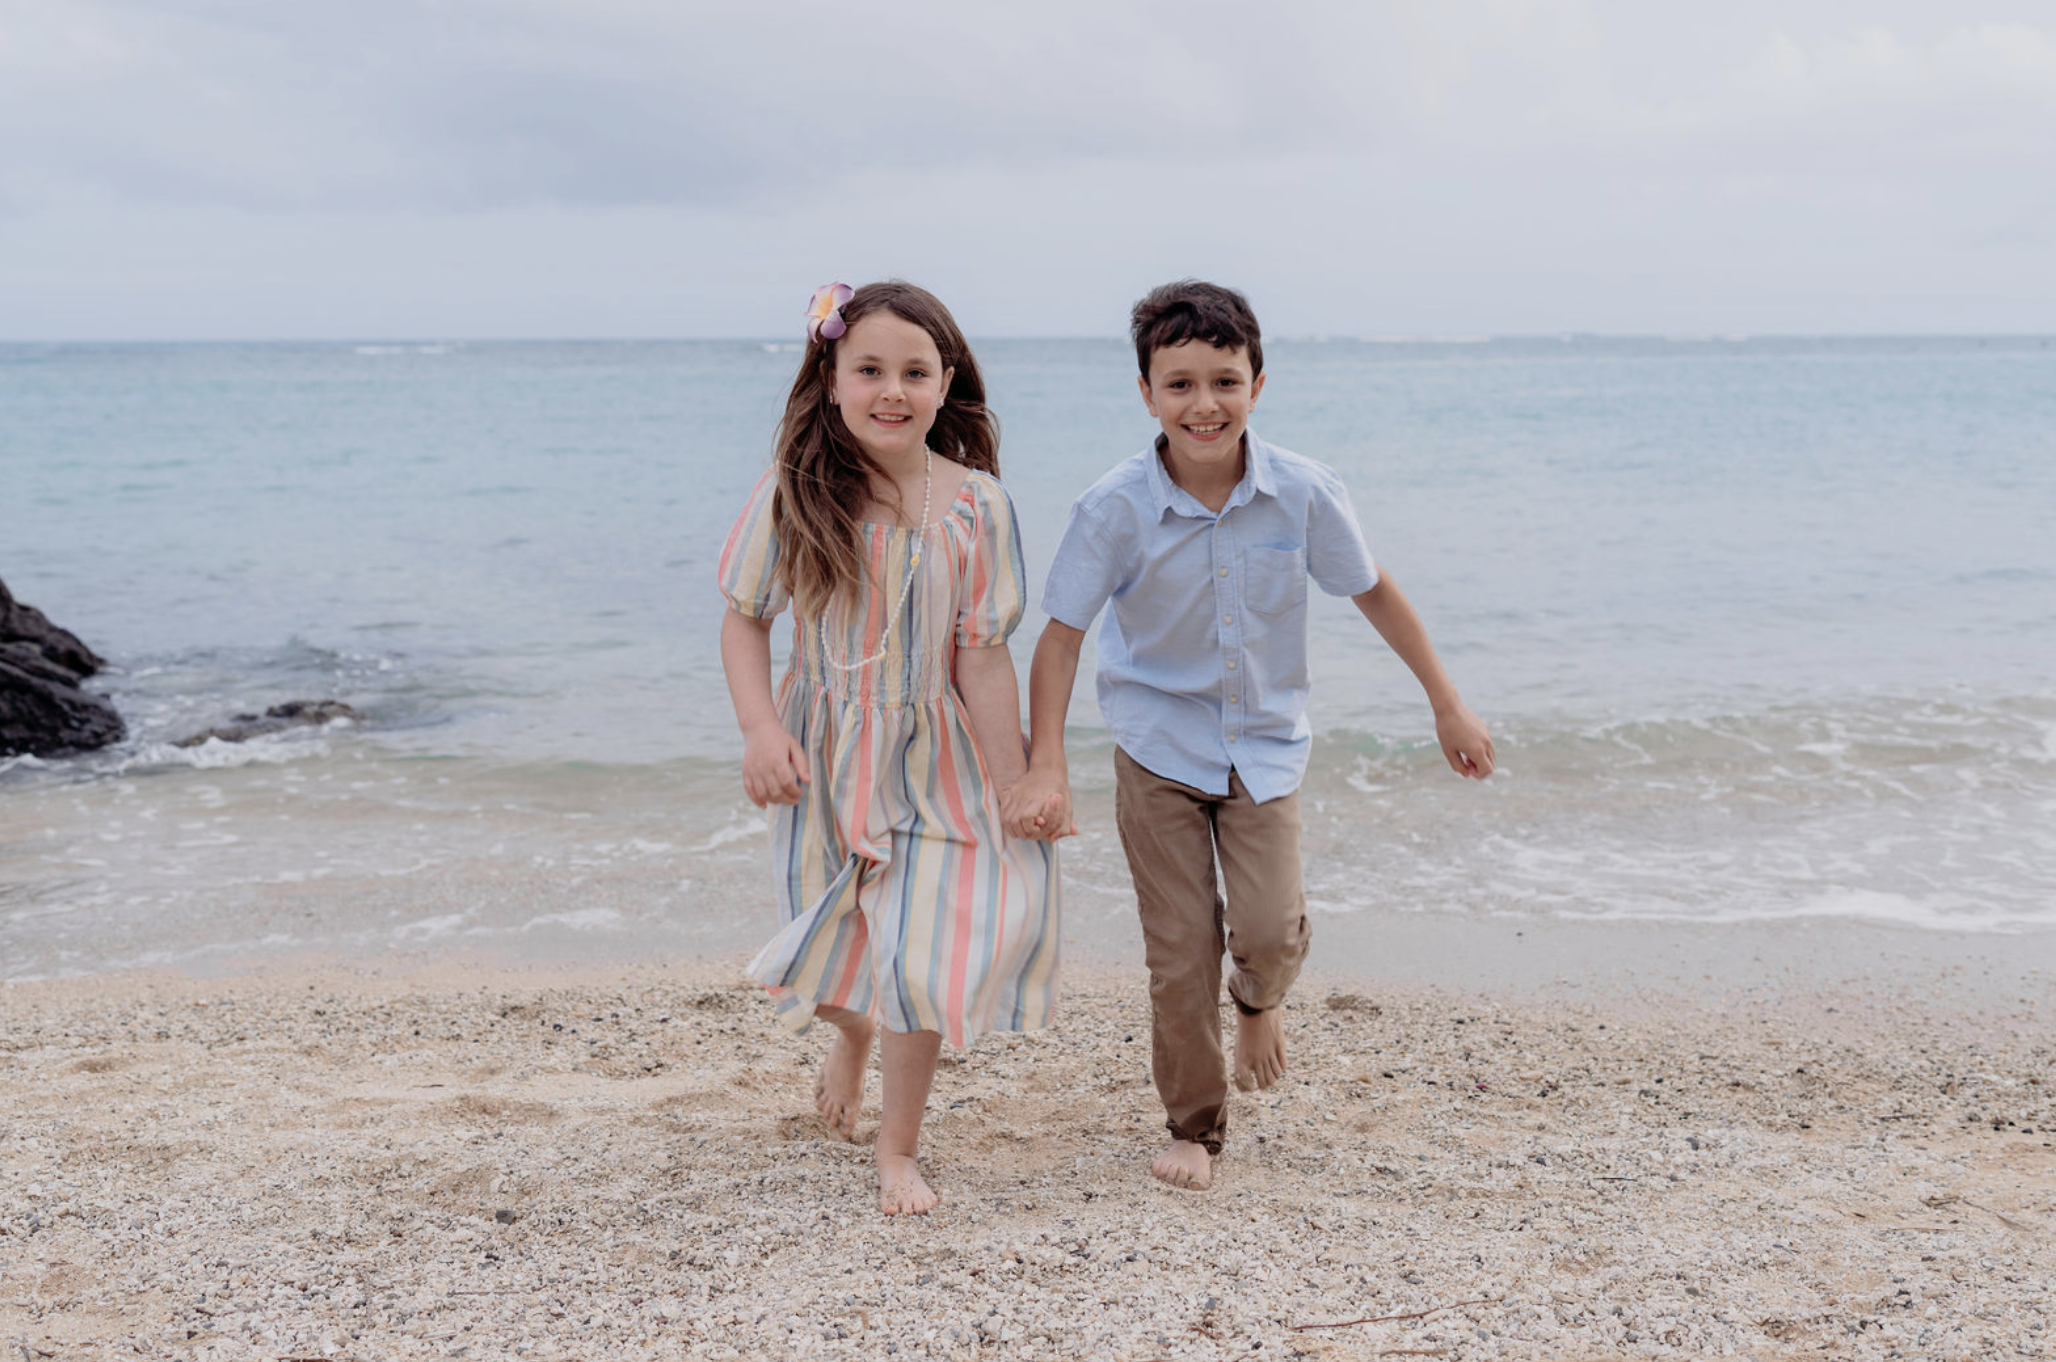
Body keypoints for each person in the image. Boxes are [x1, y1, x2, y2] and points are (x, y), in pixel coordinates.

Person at [1003, 280, 1494, 1192]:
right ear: (1147, 393)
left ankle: (1259, 999)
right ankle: (1195, 1126)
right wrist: (1045, 764)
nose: (1204, 404)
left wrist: (1445, 703)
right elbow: (1061, 636)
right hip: (1156, 748)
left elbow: (1372, 591)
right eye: (1180, 384)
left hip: (1266, 746)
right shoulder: (1112, 507)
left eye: (1224, 381)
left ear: (1258, 385)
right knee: (1179, 952)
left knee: (1266, 932)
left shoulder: (1303, 491)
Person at [718, 280, 1061, 1216]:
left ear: (947, 382)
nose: (891, 391)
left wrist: (1017, 779)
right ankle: (849, 1033)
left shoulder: (977, 505)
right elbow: (745, 619)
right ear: (831, 377)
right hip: (826, 749)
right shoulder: (798, 490)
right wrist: (760, 729)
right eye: (869, 369)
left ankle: (898, 1151)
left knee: (919, 956)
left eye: (914, 371)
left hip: (936, 755)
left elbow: (983, 655)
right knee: (826, 957)